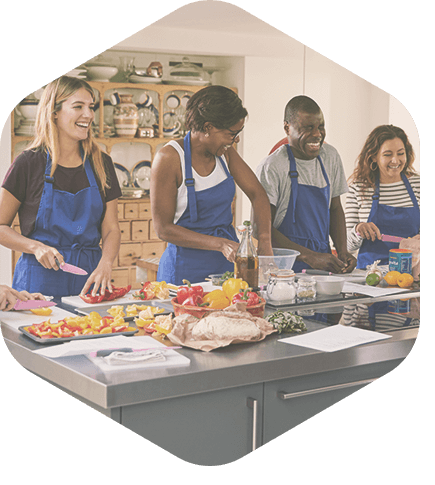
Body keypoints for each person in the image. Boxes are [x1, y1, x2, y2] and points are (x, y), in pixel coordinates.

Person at [0, 77, 122, 298]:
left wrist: (106, 263)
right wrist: (36, 247)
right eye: (78, 106)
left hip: (89, 278)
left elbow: (112, 228)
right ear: (54, 112)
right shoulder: (28, 163)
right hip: (38, 280)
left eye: (91, 107)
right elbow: (0, 226)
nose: (88, 114)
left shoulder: (101, 163)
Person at [151, 85, 273, 285]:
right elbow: (163, 229)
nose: (236, 139)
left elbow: (258, 194)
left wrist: (265, 243)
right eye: (232, 133)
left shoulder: (226, 154)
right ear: (208, 127)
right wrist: (220, 244)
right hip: (182, 271)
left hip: (223, 267)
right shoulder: (170, 158)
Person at [256, 95, 356, 273]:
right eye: (308, 128)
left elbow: (334, 208)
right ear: (287, 128)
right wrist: (309, 256)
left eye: (321, 127)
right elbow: (261, 228)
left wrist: (342, 251)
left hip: (324, 264)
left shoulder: (330, 157)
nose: (317, 134)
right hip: (283, 269)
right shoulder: (273, 166)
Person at [345, 125, 420, 268]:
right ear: (373, 156)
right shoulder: (358, 189)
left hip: (411, 273)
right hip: (371, 274)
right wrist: (358, 230)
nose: (395, 160)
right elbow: (347, 247)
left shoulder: (417, 184)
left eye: (400, 153)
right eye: (387, 154)